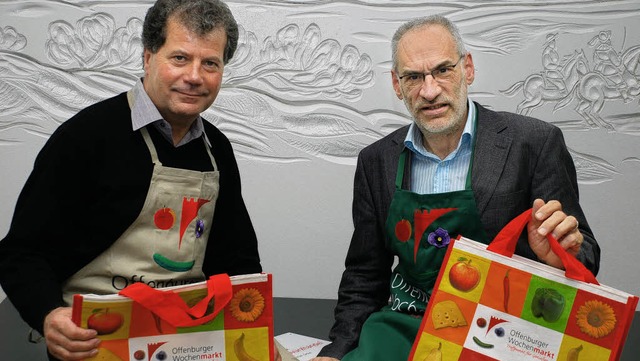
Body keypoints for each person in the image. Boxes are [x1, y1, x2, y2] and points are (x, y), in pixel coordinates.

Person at [0, 1, 277, 360]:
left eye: (210, 63)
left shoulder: (217, 150)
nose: (195, 76)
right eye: (179, 58)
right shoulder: (86, 137)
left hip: (187, 338)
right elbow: (21, 253)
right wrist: (49, 315)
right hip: (97, 340)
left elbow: (238, 261)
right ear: (148, 57)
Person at [313, 15, 600, 361]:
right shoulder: (377, 161)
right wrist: (337, 350)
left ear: (468, 68)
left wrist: (556, 257)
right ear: (396, 84)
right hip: (405, 324)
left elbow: (586, 253)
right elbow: (365, 275)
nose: (429, 91)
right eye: (413, 77)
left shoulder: (534, 143)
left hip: (500, 330)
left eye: (443, 70)